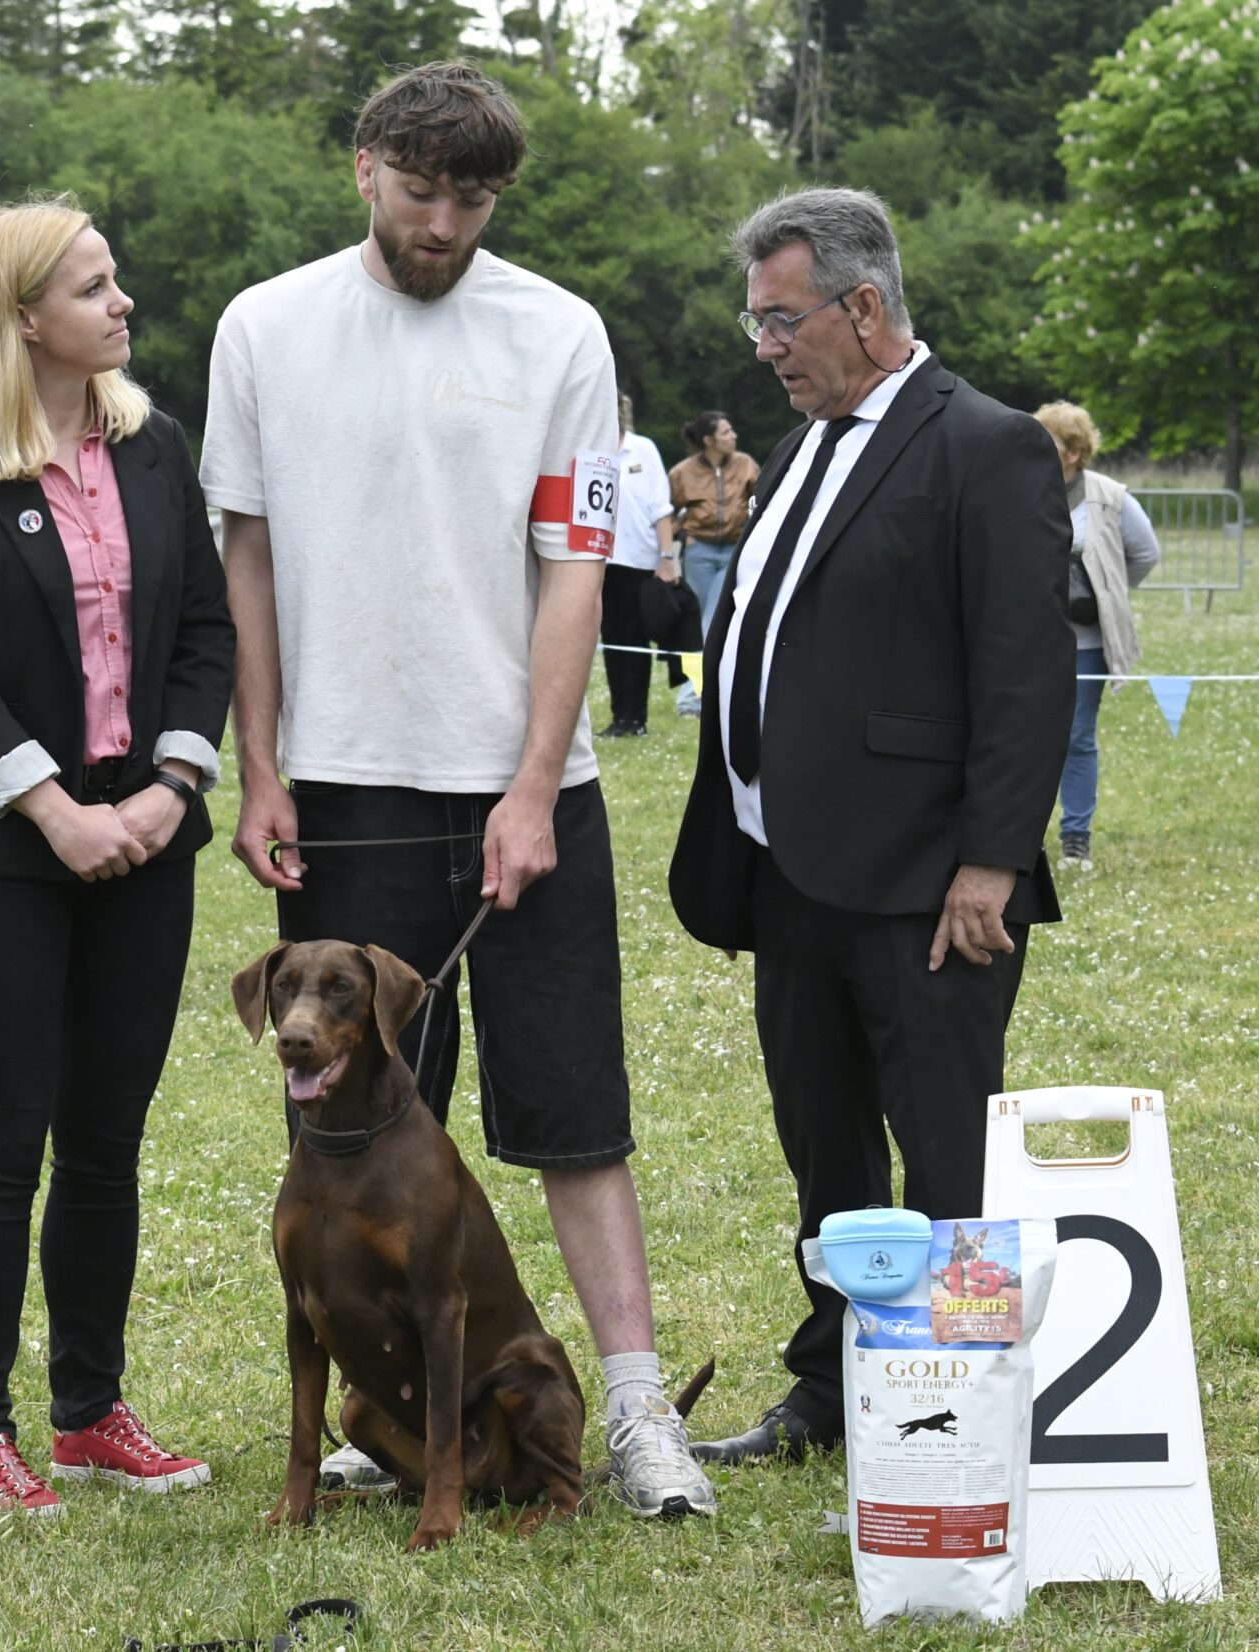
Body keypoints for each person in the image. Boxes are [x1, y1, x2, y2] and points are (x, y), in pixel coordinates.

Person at [203, 60, 718, 1519]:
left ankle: (635, 1413)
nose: (443, 225)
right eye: (421, 191)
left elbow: (575, 569)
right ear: (363, 166)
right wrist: (260, 766)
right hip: (341, 793)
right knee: (346, 1121)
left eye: (473, 201)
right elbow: (247, 561)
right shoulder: (263, 326)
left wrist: (535, 780)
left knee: (575, 1109)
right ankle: (389, 1418)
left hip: (525, 791)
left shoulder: (561, 331)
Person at [665, 188, 1072, 1466]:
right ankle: (834, 1382)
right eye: (754, 323)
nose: (764, 348)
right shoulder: (802, 444)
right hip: (786, 866)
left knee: (947, 1156)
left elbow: (1025, 673)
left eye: (781, 320)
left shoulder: (988, 443)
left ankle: (962, 1405)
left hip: (926, 879)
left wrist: (990, 860)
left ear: (861, 304)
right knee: (823, 1145)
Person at [0, 197, 235, 1517]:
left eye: (114, 279)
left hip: (148, 835)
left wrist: (172, 785)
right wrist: (54, 809)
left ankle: (89, 1413)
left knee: (104, 1142)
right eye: (92, 287)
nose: (122, 301)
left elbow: (204, 631)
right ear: (22, 314)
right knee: (2, 1139)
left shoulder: (154, 444)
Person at [1031, 401, 1159, 871]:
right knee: (1023, 736)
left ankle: (1075, 840)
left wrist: (1107, 593)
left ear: (1074, 452)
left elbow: (1145, 553)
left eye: (1049, 440)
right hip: (1029, 641)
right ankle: (1020, 836)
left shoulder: (1109, 496)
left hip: (1086, 645)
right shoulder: (1019, 488)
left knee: (1077, 737)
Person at [598, 391, 685, 736]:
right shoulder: (591, 449)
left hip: (639, 561)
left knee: (634, 642)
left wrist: (667, 559)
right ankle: (619, 716)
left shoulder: (643, 449)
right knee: (611, 640)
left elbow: (661, 508)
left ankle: (636, 719)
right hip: (601, 560)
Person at [667, 408, 759, 646]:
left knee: (717, 610)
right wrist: (682, 534)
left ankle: (709, 663)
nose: (734, 436)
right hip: (698, 553)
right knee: (702, 611)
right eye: (726, 432)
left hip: (734, 550)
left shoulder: (746, 464)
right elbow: (666, 511)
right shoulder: (682, 472)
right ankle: (703, 664)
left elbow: (760, 502)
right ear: (709, 441)